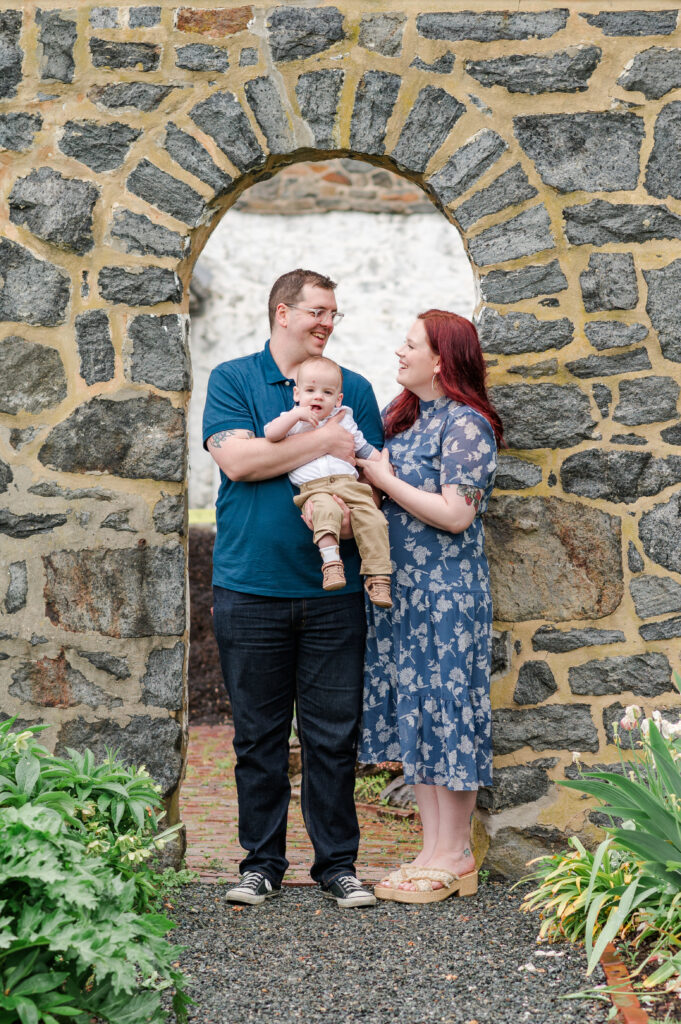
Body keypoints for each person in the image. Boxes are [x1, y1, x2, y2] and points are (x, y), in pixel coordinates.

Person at [202, 269, 381, 909]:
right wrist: (321, 439)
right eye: (316, 311)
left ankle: (337, 865)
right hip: (250, 585)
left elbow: (368, 473)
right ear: (283, 312)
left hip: (333, 591)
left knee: (335, 735)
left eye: (334, 313)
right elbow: (238, 461)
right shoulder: (234, 380)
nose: (327, 322)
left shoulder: (351, 385)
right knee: (258, 736)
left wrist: (338, 443)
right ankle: (262, 864)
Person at [357, 310, 503, 904]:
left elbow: (455, 514)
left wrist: (381, 477)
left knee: (448, 709)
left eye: (411, 344)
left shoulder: (467, 426)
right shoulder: (411, 420)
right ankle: (430, 849)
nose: (399, 351)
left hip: (446, 594)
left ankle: (457, 854)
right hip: (403, 595)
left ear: (441, 358)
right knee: (416, 713)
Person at [264, 354, 392, 607]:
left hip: (349, 484)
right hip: (316, 488)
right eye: (310, 390)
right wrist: (294, 416)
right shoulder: (292, 420)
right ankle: (331, 562)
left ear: (338, 398)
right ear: (297, 394)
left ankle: (378, 576)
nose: (318, 397)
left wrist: (383, 465)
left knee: (373, 518)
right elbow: (271, 434)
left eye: (327, 392)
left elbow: (363, 448)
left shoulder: (345, 418)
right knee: (323, 512)